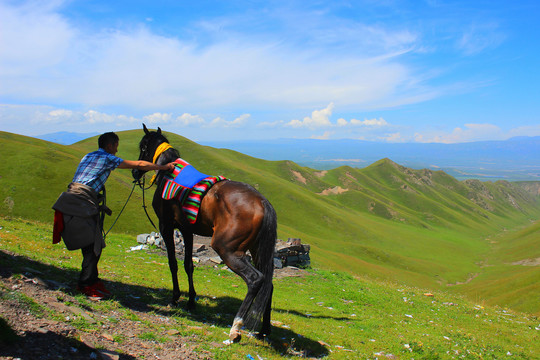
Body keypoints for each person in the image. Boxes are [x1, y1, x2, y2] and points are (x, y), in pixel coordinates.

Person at [52, 132, 174, 300]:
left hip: (72, 197)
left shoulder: (88, 156)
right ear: (110, 146)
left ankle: (91, 280)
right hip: (83, 200)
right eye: (116, 146)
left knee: (93, 244)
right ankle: (86, 284)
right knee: (92, 246)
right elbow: (138, 164)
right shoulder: (108, 158)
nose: (117, 150)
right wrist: (163, 168)